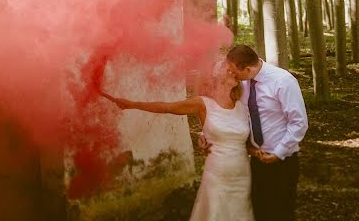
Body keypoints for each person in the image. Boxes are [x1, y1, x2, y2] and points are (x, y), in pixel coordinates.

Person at [104, 61, 253, 221]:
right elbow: (167, 107)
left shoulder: (242, 107)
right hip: (218, 176)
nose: (234, 73)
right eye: (229, 70)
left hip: (242, 175)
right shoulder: (202, 104)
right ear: (216, 77)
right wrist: (131, 104)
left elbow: (250, 140)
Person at [226, 45, 308, 221]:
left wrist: (278, 153)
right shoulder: (244, 83)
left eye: (234, 72)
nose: (232, 75)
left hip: (283, 161)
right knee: (260, 210)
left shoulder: (283, 81)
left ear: (247, 69)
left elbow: (299, 123)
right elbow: (240, 116)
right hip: (257, 159)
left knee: (281, 212)